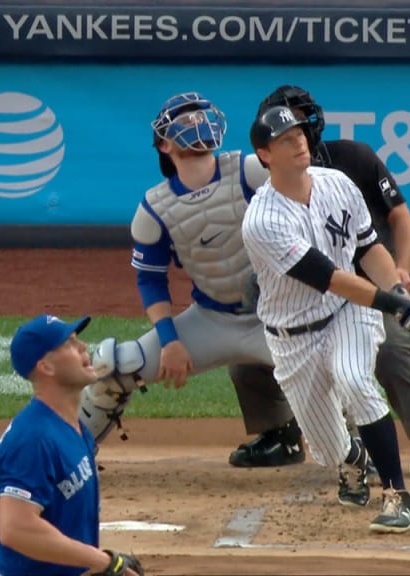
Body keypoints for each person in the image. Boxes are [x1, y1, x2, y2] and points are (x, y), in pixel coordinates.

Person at [79, 91, 307, 470]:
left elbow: (307, 198)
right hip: (212, 319)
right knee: (114, 367)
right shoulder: (154, 208)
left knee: (335, 374)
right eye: (184, 120)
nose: (196, 123)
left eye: (200, 115)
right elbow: (151, 281)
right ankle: (72, 456)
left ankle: (362, 460)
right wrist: (170, 343)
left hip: (280, 312)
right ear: (164, 144)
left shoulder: (250, 170)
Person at [242, 105, 410, 533]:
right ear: (264, 155)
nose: (299, 143)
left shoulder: (339, 185)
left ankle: (396, 495)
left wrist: (401, 293)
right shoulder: (263, 221)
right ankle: (352, 459)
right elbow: (328, 277)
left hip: (348, 313)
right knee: (328, 448)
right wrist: (394, 305)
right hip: (292, 335)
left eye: (300, 135)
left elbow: (370, 249)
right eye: (285, 140)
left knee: (354, 379)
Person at [0, 314, 144, 576]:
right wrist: (103, 562)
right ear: (46, 367)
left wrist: (95, 564)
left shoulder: (74, 428)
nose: (83, 347)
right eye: (69, 343)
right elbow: (15, 529)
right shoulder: (32, 440)